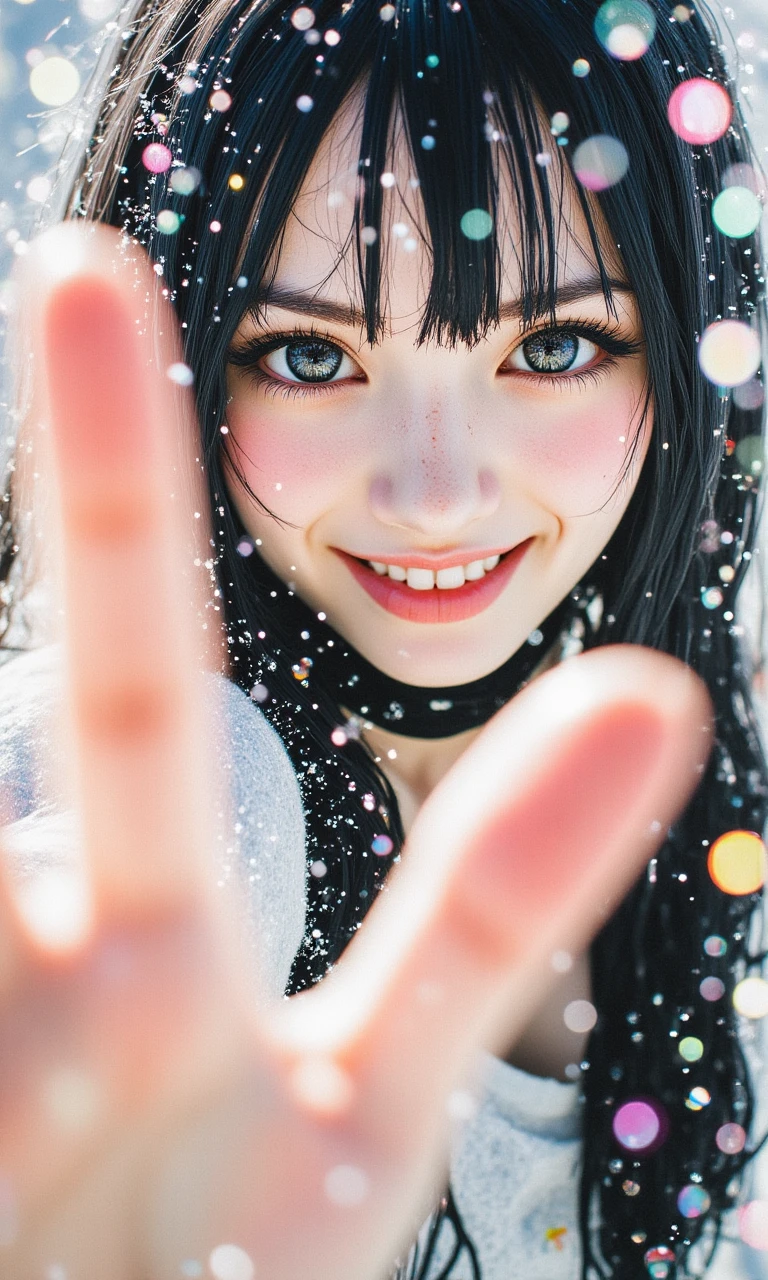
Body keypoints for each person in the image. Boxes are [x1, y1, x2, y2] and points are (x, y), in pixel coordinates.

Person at [0, 0, 765, 1276]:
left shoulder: (722, 802)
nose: (435, 492)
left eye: (557, 344)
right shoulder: (192, 801)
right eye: (306, 357)